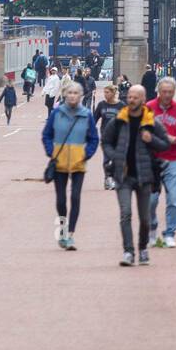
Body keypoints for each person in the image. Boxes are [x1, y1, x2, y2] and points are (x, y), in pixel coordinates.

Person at [102, 84, 172, 265]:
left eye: (135, 97)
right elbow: (106, 141)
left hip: (144, 175)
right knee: (125, 214)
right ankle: (128, 252)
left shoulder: (151, 121)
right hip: (123, 175)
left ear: (143, 99)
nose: (131, 100)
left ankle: (142, 249)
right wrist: (115, 156)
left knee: (145, 218)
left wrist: (152, 139)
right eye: (129, 97)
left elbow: (165, 144)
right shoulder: (119, 120)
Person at [40, 80, 98, 252]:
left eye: (76, 93)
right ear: (65, 95)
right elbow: (46, 135)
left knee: (75, 197)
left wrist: (86, 154)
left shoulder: (86, 115)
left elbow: (94, 138)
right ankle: (63, 228)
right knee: (61, 200)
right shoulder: (56, 113)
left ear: (81, 96)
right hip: (60, 161)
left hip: (78, 162)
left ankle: (70, 234)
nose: (72, 96)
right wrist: (51, 152)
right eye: (70, 93)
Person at [148, 77, 176, 248]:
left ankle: (169, 233)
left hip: (173, 159)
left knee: (174, 199)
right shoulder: (149, 108)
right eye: (164, 92)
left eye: (170, 92)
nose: (167, 95)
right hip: (152, 160)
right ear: (158, 91)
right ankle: (152, 227)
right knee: (150, 200)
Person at [94, 82, 123, 190]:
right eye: (104, 92)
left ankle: (115, 178)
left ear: (113, 93)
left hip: (118, 136)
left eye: (107, 92)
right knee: (107, 159)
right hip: (106, 137)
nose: (105, 94)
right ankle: (108, 178)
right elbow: (94, 119)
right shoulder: (101, 105)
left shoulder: (121, 106)